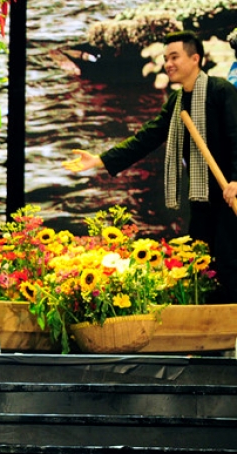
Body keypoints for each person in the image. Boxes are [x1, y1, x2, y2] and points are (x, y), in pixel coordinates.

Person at [64, 31, 237, 303]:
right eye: (165, 58)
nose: (168, 64)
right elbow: (146, 138)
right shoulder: (178, 102)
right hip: (203, 199)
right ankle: (214, 340)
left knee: (230, 266)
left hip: (231, 197)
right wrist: (100, 160)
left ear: (195, 58)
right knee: (204, 268)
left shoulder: (221, 91)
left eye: (175, 57)